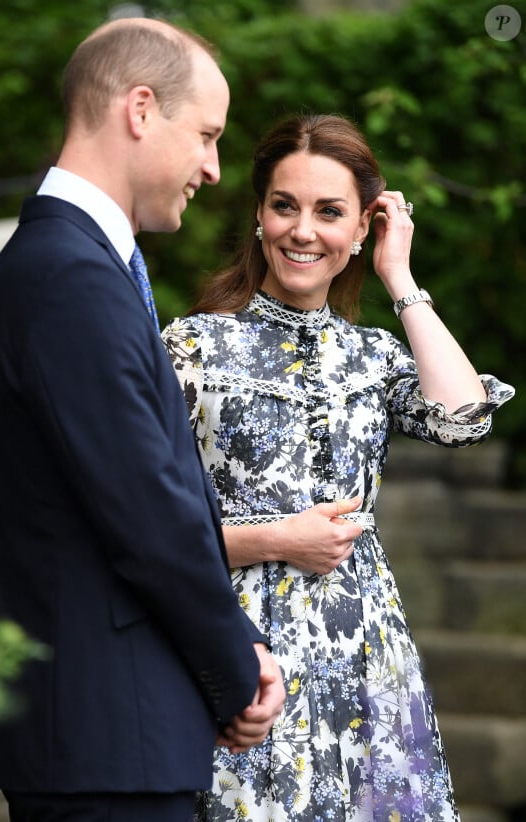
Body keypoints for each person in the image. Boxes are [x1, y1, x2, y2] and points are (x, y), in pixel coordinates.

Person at [0, 18, 286, 822]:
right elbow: (145, 507)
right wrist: (237, 662)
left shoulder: (77, 264)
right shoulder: (67, 273)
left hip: (111, 734)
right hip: (104, 740)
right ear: (141, 109)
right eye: (207, 136)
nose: (214, 169)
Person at [161, 112, 515, 821]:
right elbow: (144, 530)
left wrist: (399, 274)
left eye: (330, 213)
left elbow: (463, 417)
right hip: (242, 653)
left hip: (364, 651)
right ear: (259, 216)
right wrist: (275, 539)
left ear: (361, 230)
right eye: (284, 206)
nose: (303, 231)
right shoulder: (191, 350)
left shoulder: (375, 356)